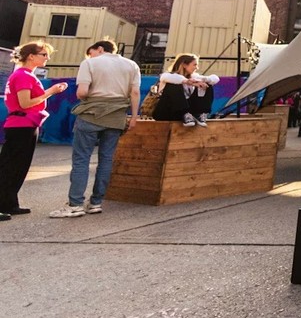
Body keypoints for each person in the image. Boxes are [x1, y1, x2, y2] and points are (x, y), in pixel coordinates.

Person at [50, 40, 141, 218]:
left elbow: (82, 93)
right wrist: (134, 117)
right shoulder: (132, 65)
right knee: (106, 159)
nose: (89, 56)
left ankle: (75, 204)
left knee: (81, 160)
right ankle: (96, 202)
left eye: (90, 52)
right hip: (116, 117)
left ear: (100, 49)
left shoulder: (90, 63)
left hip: (90, 115)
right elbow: (135, 92)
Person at [0, 42, 70, 219]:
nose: (47, 58)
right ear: (31, 56)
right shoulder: (24, 76)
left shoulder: (26, 75)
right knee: (10, 166)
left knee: (18, 166)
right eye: (43, 54)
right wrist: (51, 91)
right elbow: (25, 103)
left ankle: (9, 203)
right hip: (21, 125)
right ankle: (4, 203)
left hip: (26, 124)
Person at [151, 53, 219, 126]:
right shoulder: (167, 75)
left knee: (207, 84)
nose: (197, 68)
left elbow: (215, 78)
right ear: (184, 65)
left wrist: (203, 80)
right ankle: (185, 114)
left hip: (185, 114)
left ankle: (200, 114)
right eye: (194, 65)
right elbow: (168, 78)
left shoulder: (194, 76)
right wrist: (189, 82)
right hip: (165, 112)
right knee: (174, 85)